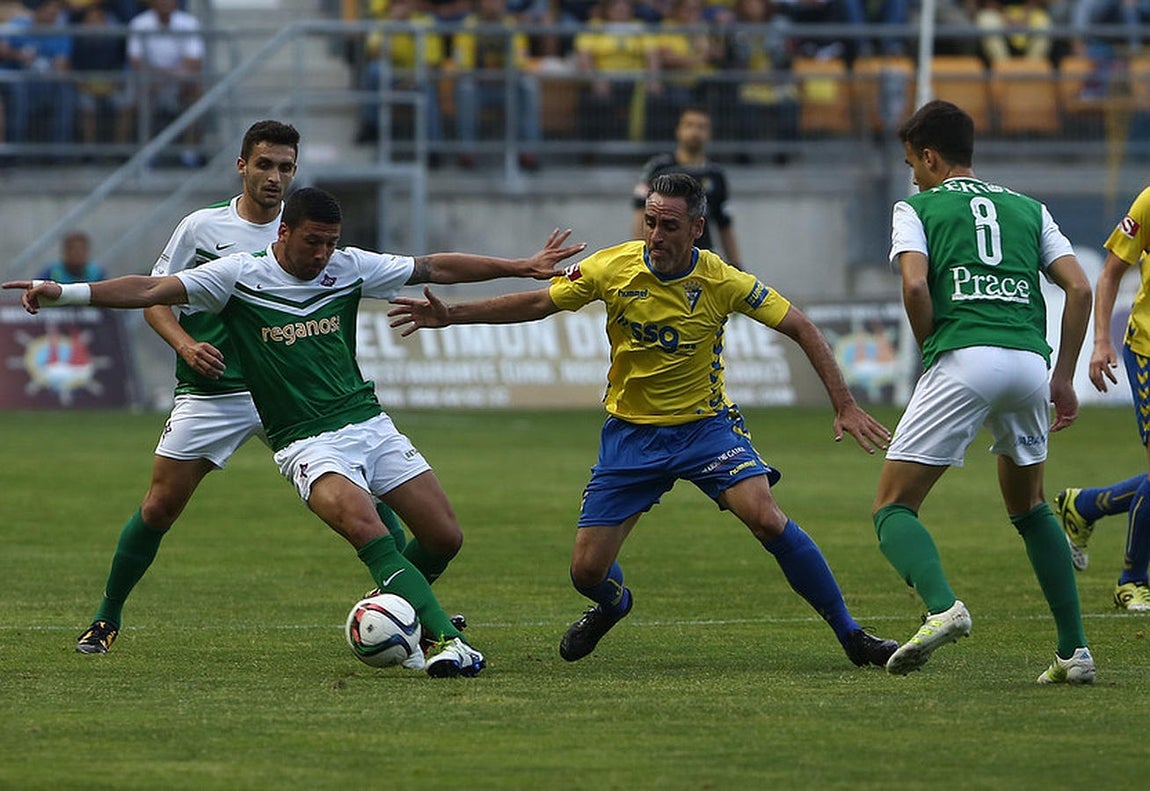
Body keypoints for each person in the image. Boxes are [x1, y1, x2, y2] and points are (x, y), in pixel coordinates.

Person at [5, 187, 587, 678]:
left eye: (331, 243)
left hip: (368, 422)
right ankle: (442, 643)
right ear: (283, 234)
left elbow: (433, 267)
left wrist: (519, 265)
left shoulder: (348, 266)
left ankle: (392, 607)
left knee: (444, 537)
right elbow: (151, 290)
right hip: (302, 437)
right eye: (314, 242)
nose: (323, 253)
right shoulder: (236, 274)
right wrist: (65, 293)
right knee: (355, 524)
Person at [388, 172, 901, 669]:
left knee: (766, 517)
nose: (655, 235)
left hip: (705, 427)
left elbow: (802, 327)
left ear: (696, 228)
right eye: (651, 222)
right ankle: (613, 605)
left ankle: (852, 635)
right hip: (631, 436)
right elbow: (539, 302)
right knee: (587, 572)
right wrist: (453, 314)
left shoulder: (722, 280)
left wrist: (845, 403)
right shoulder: (613, 267)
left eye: (669, 226)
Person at [873, 100, 1095, 684]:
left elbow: (916, 284)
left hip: (964, 356)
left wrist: (931, 350)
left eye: (912, 164)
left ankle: (943, 608)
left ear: (929, 156)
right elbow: (1079, 288)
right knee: (1030, 508)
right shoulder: (1029, 208)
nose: (911, 176)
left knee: (893, 507)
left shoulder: (915, 207)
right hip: (1027, 361)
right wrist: (1064, 376)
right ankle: (1074, 653)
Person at [1052, 183, 1150, 612]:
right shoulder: (1148, 201)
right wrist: (1100, 342)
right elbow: (1109, 273)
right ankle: (1131, 580)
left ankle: (1085, 505)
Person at [631, 107, 741, 267]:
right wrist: (640, 260)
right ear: (678, 130)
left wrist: (736, 264)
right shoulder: (659, 169)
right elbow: (641, 215)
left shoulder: (716, 175)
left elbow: (724, 225)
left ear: (709, 134)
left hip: (701, 261)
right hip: (665, 257)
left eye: (701, 127)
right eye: (689, 125)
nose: (695, 132)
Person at [452, 0, 543, 170]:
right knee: (465, 87)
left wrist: (503, 75)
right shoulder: (468, 26)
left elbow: (520, 63)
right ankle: (467, 152)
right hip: (479, 86)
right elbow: (462, 65)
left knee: (529, 85)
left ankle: (529, 152)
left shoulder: (512, 26)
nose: (494, 4)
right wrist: (484, 75)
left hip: (507, 86)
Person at [127, 0, 204, 166]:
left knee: (196, 89)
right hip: (151, 81)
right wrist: (159, 76)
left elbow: (194, 62)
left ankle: (189, 150)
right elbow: (136, 62)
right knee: (140, 88)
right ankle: (147, 149)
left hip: (179, 81)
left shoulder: (189, 23)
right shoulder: (139, 23)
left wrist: (171, 76)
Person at [0, 0, 75, 149]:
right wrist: (19, 55)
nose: (52, 14)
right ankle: (15, 151)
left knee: (65, 92)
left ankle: (59, 152)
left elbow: (62, 64)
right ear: (38, 10)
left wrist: (53, 67)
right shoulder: (19, 24)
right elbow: (3, 49)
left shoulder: (60, 33)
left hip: (44, 82)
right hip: (17, 80)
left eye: (56, 11)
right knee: (18, 90)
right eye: (48, 10)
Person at [37, 231, 107, 283]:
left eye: (82, 250)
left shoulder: (96, 274)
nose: (79, 254)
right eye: (75, 250)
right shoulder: (51, 273)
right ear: (65, 251)